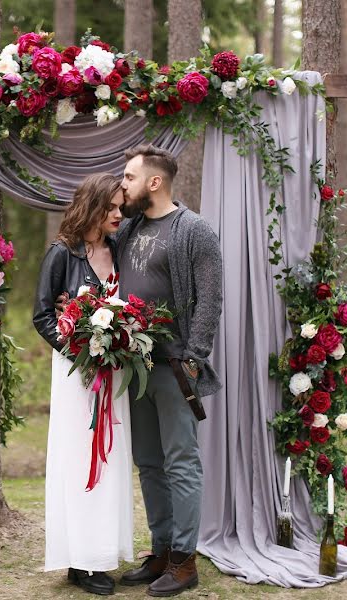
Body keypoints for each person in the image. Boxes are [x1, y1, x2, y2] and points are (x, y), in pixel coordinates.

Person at [115, 144, 223, 597]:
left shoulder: (194, 230)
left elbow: (210, 298)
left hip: (174, 367)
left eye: (129, 177)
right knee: (148, 463)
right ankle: (159, 551)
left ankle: (184, 561)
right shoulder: (129, 228)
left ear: (154, 182)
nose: (123, 184)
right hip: (133, 366)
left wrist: (193, 357)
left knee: (182, 463)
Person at [32, 173, 132, 596]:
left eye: (119, 206)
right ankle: (79, 559)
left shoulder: (121, 249)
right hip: (77, 376)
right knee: (78, 460)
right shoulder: (62, 254)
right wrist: (82, 356)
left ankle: (102, 552)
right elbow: (42, 316)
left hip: (116, 376)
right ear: (90, 206)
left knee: (111, 460)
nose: (117, 213)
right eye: (109, 207)